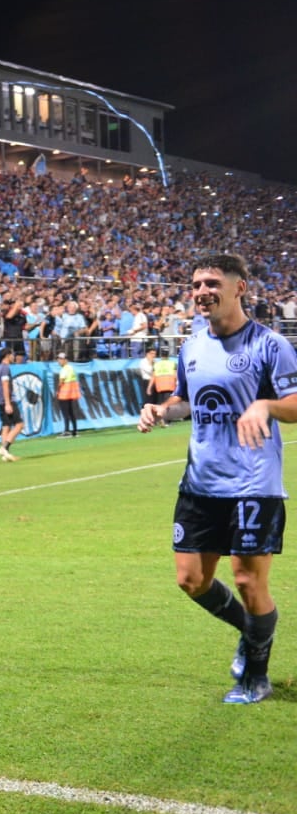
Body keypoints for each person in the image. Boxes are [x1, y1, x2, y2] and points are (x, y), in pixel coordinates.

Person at [138, 254, 297, 705]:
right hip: (200, 482)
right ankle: (253, 633)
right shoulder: (191, 346)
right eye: (195, 284)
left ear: (239, 287)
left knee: (248, 582)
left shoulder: (270, 345)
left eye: (211, 282)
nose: (202, 291)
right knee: (190, 580)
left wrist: (266, 406)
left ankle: (256, 678)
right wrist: (162, 410)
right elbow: (184, 399)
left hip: (253, 483)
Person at [0, 347, 23, 462]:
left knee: (6, 426)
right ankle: (4, 448)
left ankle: (5, 455)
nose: (13, 356)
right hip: (7, 401)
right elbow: (5, 385)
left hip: (0, 400)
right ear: (7, 355)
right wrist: (8, 403)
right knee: (19, 425)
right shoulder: (5, 369)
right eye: (12, 354)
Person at [145, 347, 176, 426]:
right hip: (169, 385)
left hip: (159, 386)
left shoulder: (156, 364)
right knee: (167, 405)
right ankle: (166, 421)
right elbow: (176, 375)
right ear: (168, 355)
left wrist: (149, 388)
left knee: (160, 404)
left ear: (161, 355)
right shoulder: (172, 363)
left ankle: (159, 420)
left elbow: (153, 377)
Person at [55, 351, 80, 437]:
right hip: (71, 394)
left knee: (65, 413)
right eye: (58, 359)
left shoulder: (63, 370)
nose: (59, 361)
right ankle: (75, 431)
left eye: (61, 359)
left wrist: (57, 391)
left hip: (64, 394)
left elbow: (61, 382)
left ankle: (66, 431)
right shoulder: (71, 368)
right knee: (71, 412)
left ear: (65, 360)